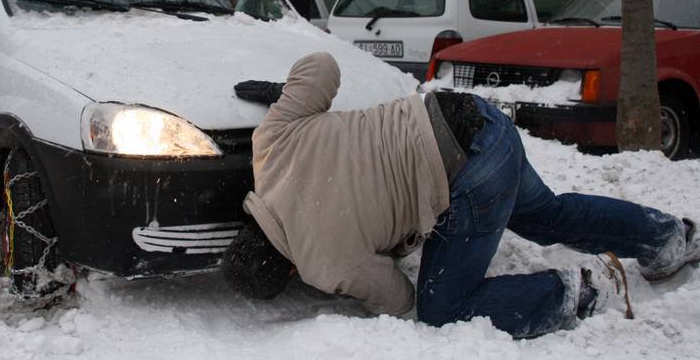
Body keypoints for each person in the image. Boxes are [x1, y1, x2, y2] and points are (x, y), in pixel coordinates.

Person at [222, 52, 699, 339]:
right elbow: (322, 66)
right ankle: (668, 237)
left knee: (440, 310)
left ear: (287, 269)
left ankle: (573, 292)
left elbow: (398, 298)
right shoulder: (271, 141)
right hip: (472, 117)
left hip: (471, 170)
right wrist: (290, 95)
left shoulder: (324, 265)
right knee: (546, 215)